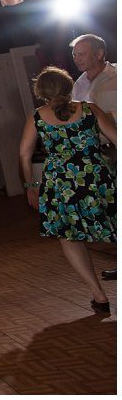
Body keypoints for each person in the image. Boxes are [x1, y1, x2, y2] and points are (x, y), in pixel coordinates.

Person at [18, 66, 116, 313]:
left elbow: (24, 153)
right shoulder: (89, 108)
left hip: (61, 185)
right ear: (69, 85)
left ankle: (99, 295)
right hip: (97, 177)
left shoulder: (37, 116)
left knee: (70, 238)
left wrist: (31, 186)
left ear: (41, 92)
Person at [69, 33, 117, 281]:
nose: (76, 59)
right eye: (75, 54)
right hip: (97, 155)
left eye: (81, 54)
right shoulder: (79, 84)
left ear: (99, 54)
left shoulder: (116, 76)